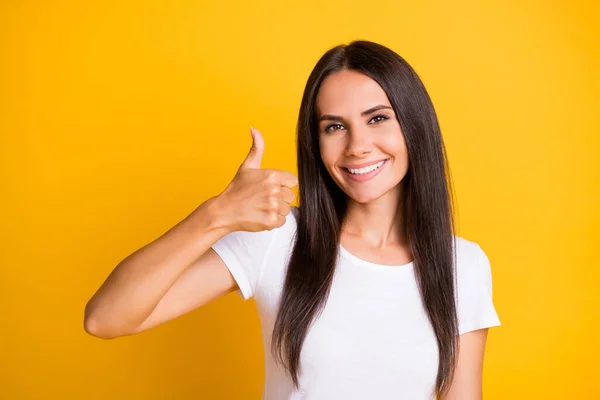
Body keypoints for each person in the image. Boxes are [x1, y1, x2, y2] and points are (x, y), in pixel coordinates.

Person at [84, 40, 501, 400]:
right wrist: (217, 214)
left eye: (377, 118)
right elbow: (105, 318)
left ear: (414, 125)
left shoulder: (463, 264)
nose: (357, 146)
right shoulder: (277, 240)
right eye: (334, 126)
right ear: (315, 142)